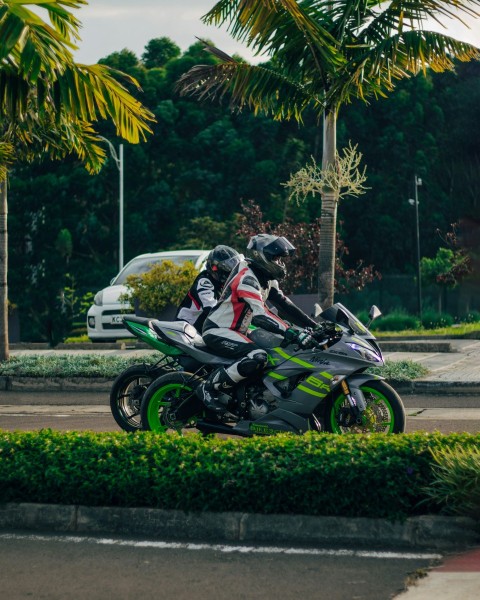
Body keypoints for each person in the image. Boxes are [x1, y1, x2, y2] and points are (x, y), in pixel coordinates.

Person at [196, 233, 318, 413]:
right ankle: (208, 388)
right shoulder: (247, 277)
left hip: (238, 331)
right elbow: (261, 315)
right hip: (218, 330)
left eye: (280, 259)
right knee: (258, 356)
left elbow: (285, 306)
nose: (280, 263)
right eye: (275, 258)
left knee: (278, 350)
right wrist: (291, 332)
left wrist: (315, 327)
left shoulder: (266, 278)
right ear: (260, 255)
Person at [175, 245, 241, 330]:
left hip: (203, 328)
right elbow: (211, 308)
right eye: (227, 267)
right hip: (188, 329)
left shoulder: (222, 284)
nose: (230, 271)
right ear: (215, 267)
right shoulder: (204, 282)